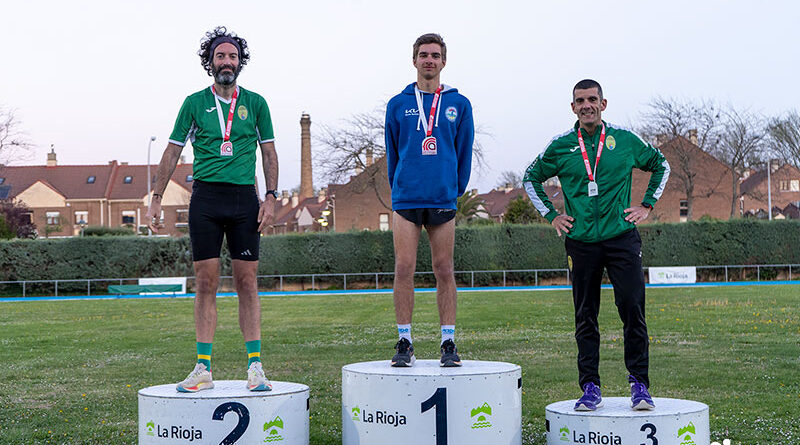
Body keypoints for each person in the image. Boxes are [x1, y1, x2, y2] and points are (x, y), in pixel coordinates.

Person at [145, 26, 279, 392]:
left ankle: (255, 367)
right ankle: (203, 367)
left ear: (240, 63)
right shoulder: (193, 103)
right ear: (210, 62)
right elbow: (173, 151)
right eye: (220, 56)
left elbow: (268, 152)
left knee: (247, 283)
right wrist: (156, 198)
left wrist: (271, 196)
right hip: (205, 199)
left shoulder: (256, 103)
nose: (227, 61)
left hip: (243, 200)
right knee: (205, 282)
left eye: (233, 56)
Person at [523, 79, 669, 411]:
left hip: (621, 238)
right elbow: (529, 177)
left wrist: (646, 205)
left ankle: (640, 385)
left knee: (632, 308)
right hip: (581, 242)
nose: (586, 105)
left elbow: (662, 164)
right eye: (580, 100)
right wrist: (551, 215)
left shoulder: (626, 140)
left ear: (603, 104)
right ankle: (590, 386)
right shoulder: (560, 146)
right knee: (585, 315)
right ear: (572, 107)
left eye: (592, 99)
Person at [384, 33, 474, 367]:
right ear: (414, 60)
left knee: (444, 269)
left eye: (435, 55)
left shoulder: (459, 104)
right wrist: (399, 187)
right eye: (423, 55)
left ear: (443, 62)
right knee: (403, 267)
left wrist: (454, 188)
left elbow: (464, 151)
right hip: (406, 198)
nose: (429, 60)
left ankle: (448, 342)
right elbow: (392, 152)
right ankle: (405, 340)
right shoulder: (397, 104)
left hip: (442, 197)